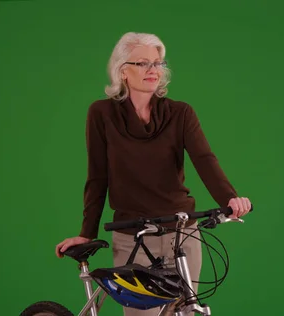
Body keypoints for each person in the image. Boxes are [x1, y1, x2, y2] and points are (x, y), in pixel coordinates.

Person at [55, 32, 252, 316]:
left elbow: (204, 160)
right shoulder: (102, 114)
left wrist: (230, 199)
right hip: (132, 236)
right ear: (123, 71)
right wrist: (87, 233)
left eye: (158, 63)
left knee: (184, 310)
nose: (154, 70)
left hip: (182, 234)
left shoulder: (180, 113)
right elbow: (97, 177)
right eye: (143, 63)